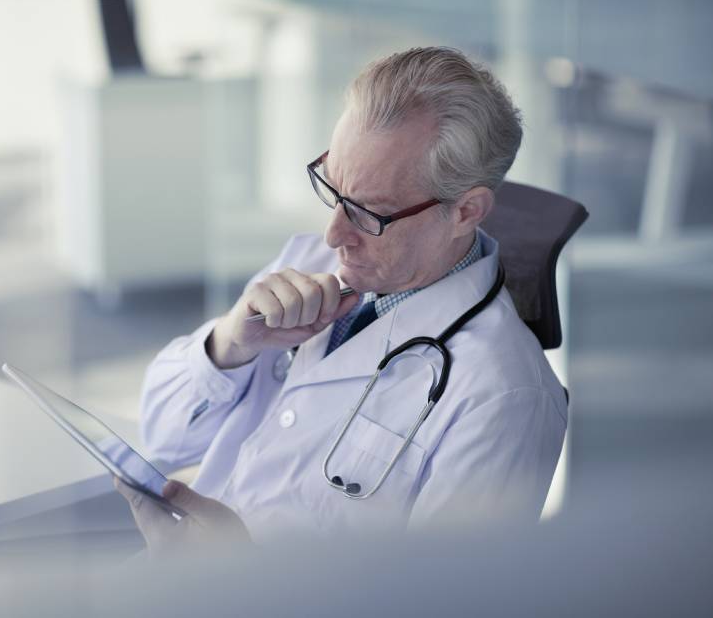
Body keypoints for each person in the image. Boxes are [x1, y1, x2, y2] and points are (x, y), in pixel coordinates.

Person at [115, 47, 567, 550]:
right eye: (332, 189)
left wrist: (242, 577)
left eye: (369, 213)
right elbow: (163, 436)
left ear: (466, 211)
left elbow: (447, 597)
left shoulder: (503, 396)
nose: (332, 235)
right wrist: (229, 346)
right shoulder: (306, 266)